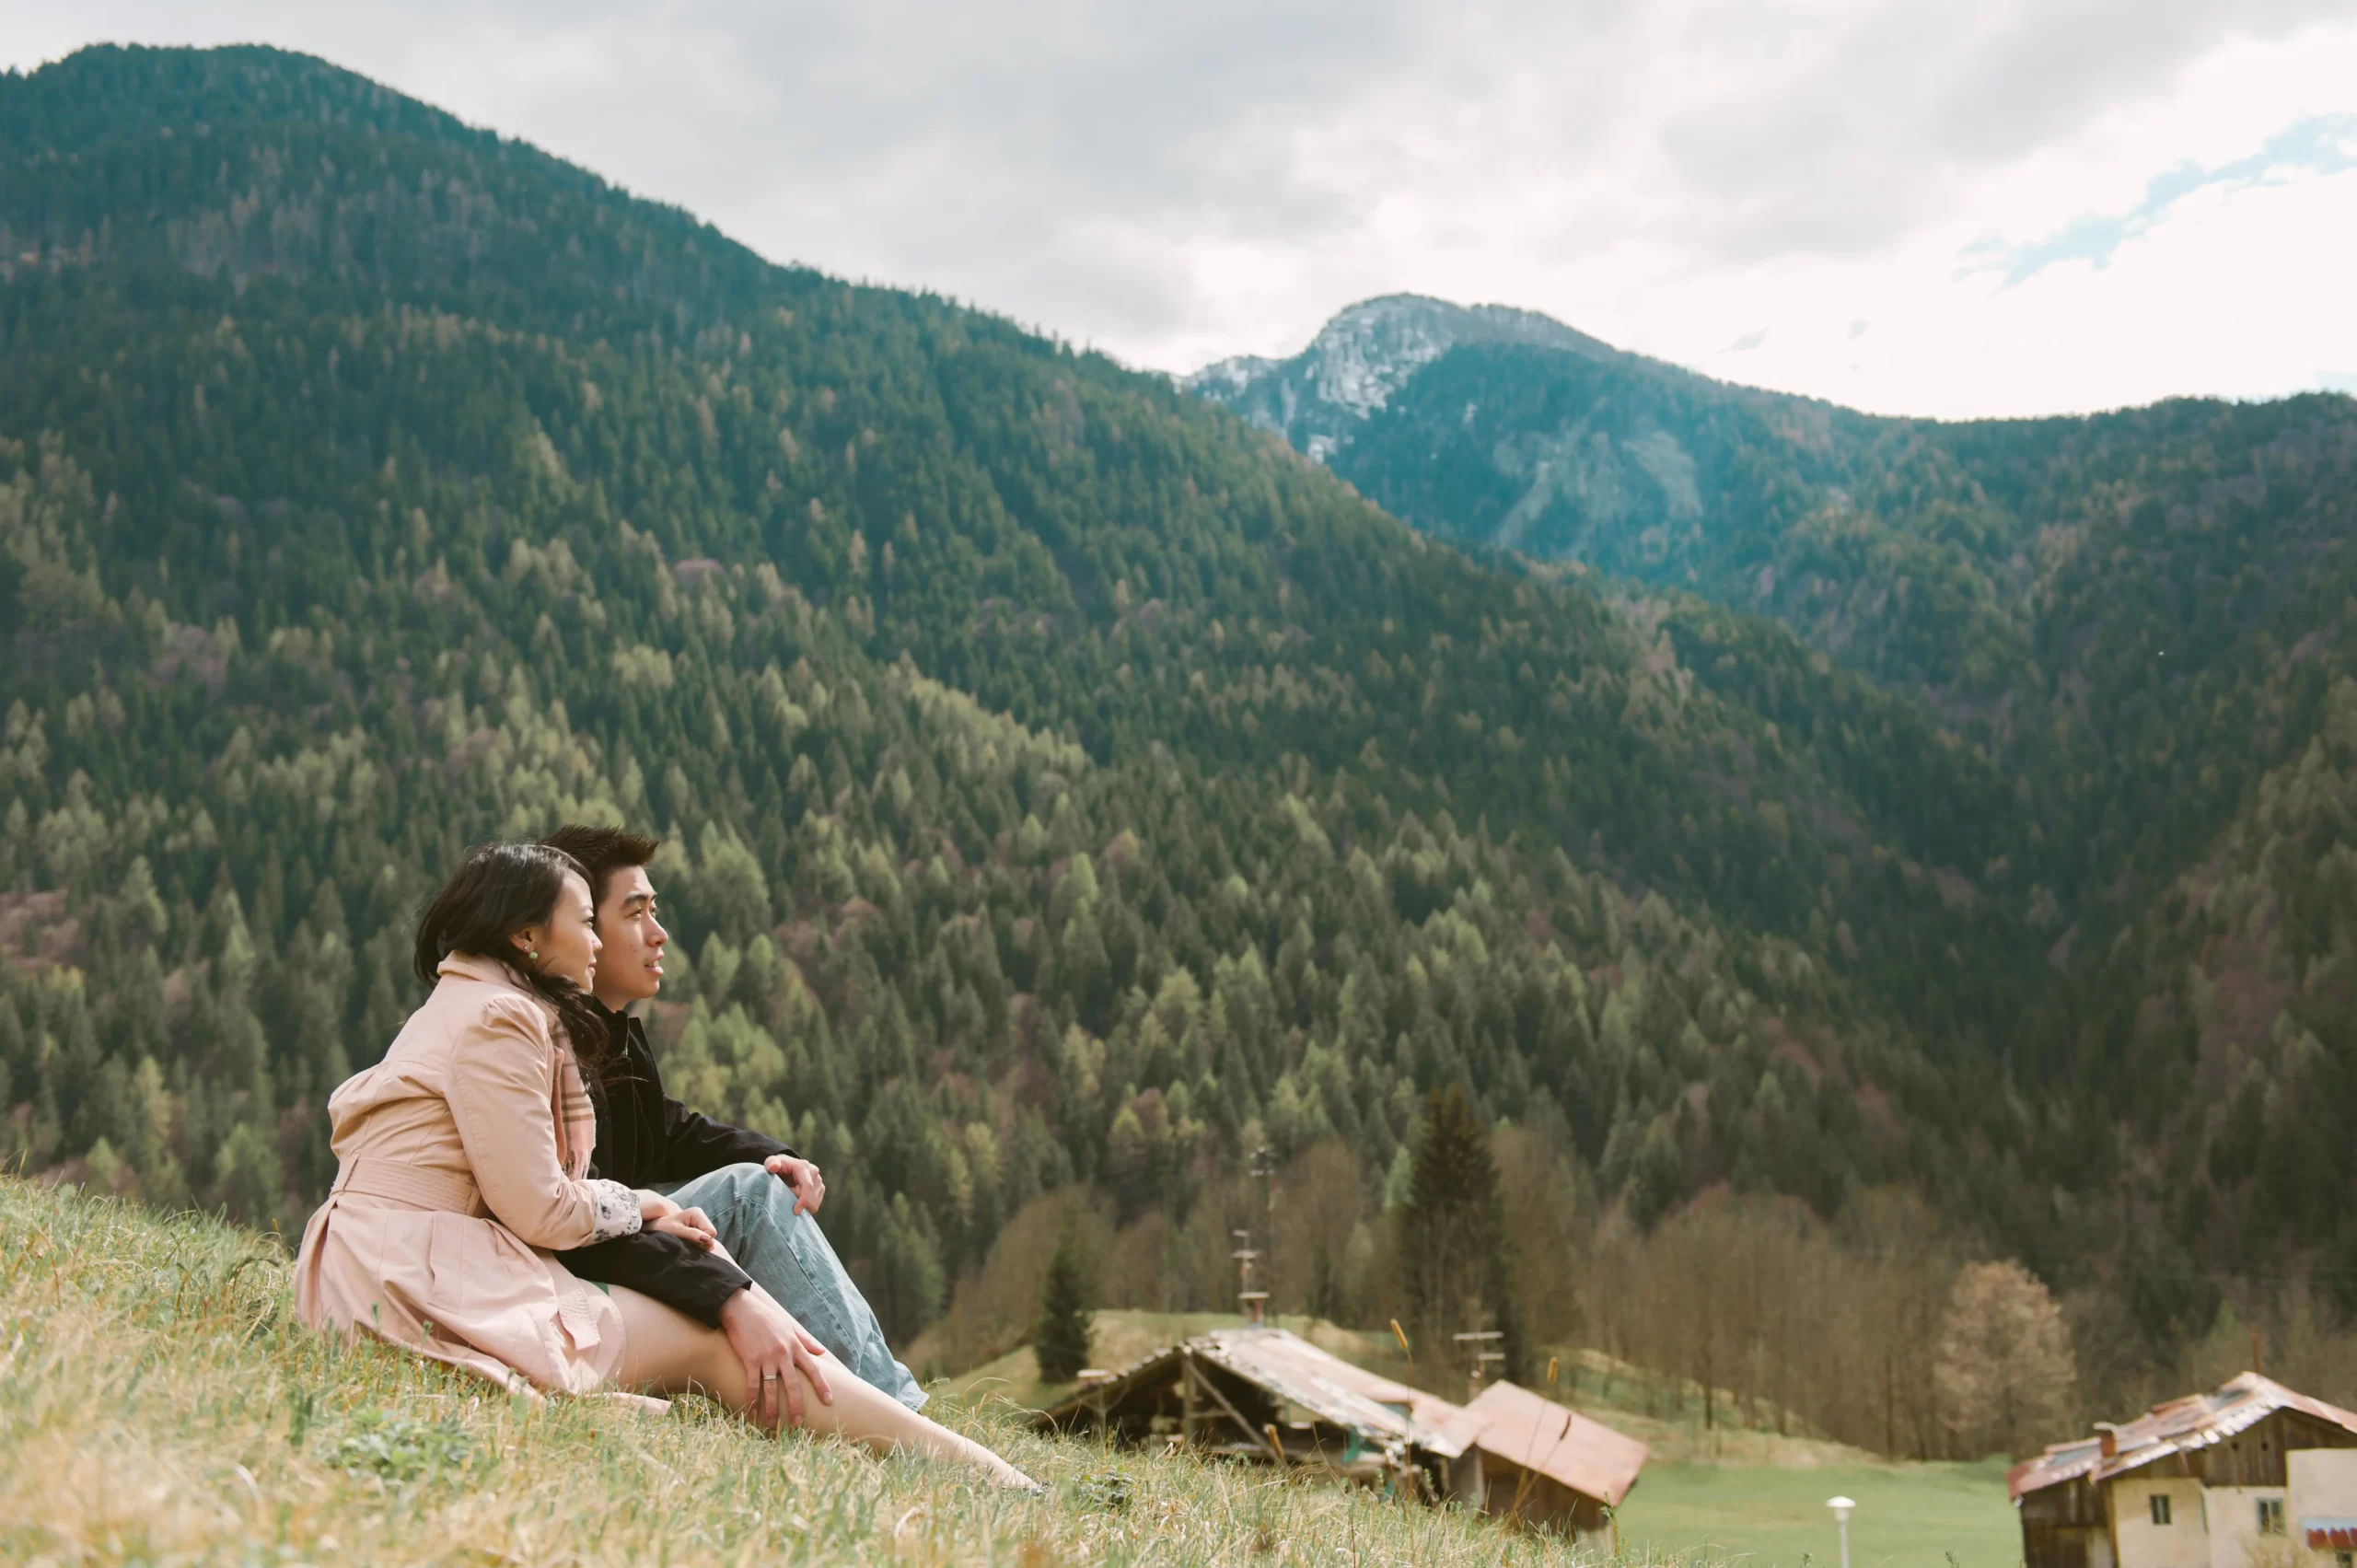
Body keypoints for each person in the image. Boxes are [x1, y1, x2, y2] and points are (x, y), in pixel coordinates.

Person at [292, 841, 1033, 1487]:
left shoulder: (462, 1003)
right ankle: (965, 1466)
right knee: (721, 1343)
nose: (592, 942)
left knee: (729, 1313)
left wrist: (663, 1211)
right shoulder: (501, 1018)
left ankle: (936, 1444)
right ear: (525, 935)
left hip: (378, 1262)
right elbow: (539, 1207)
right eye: (586, 921)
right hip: (412, 1279)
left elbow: (656, 1137)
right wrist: (646, 1208)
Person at [538, 825, 929, 1411]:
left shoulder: (608, 1033)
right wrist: (725, 1290)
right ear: (585, 926)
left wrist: (774, 1153)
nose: (659, 933)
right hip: (580, 1263)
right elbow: (574, 1216)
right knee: (750, 1196)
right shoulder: (561, 1046)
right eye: (635, 914)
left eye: (656, 910)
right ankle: (898, 1410)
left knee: (757, 1181)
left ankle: (880, 1399)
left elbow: (666, 1131)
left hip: (620, 1240)